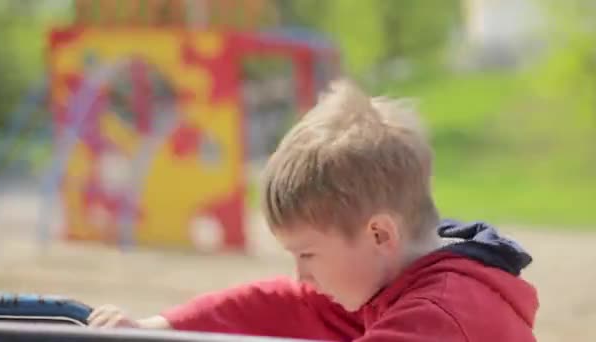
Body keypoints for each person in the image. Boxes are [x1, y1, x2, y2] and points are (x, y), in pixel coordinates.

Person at [88, 79, 539, 341]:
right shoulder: (393, 274)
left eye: (306, 255)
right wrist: (155, 328)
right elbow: (277, 304)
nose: (302, 275)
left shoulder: (437, 317)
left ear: (379, 234)